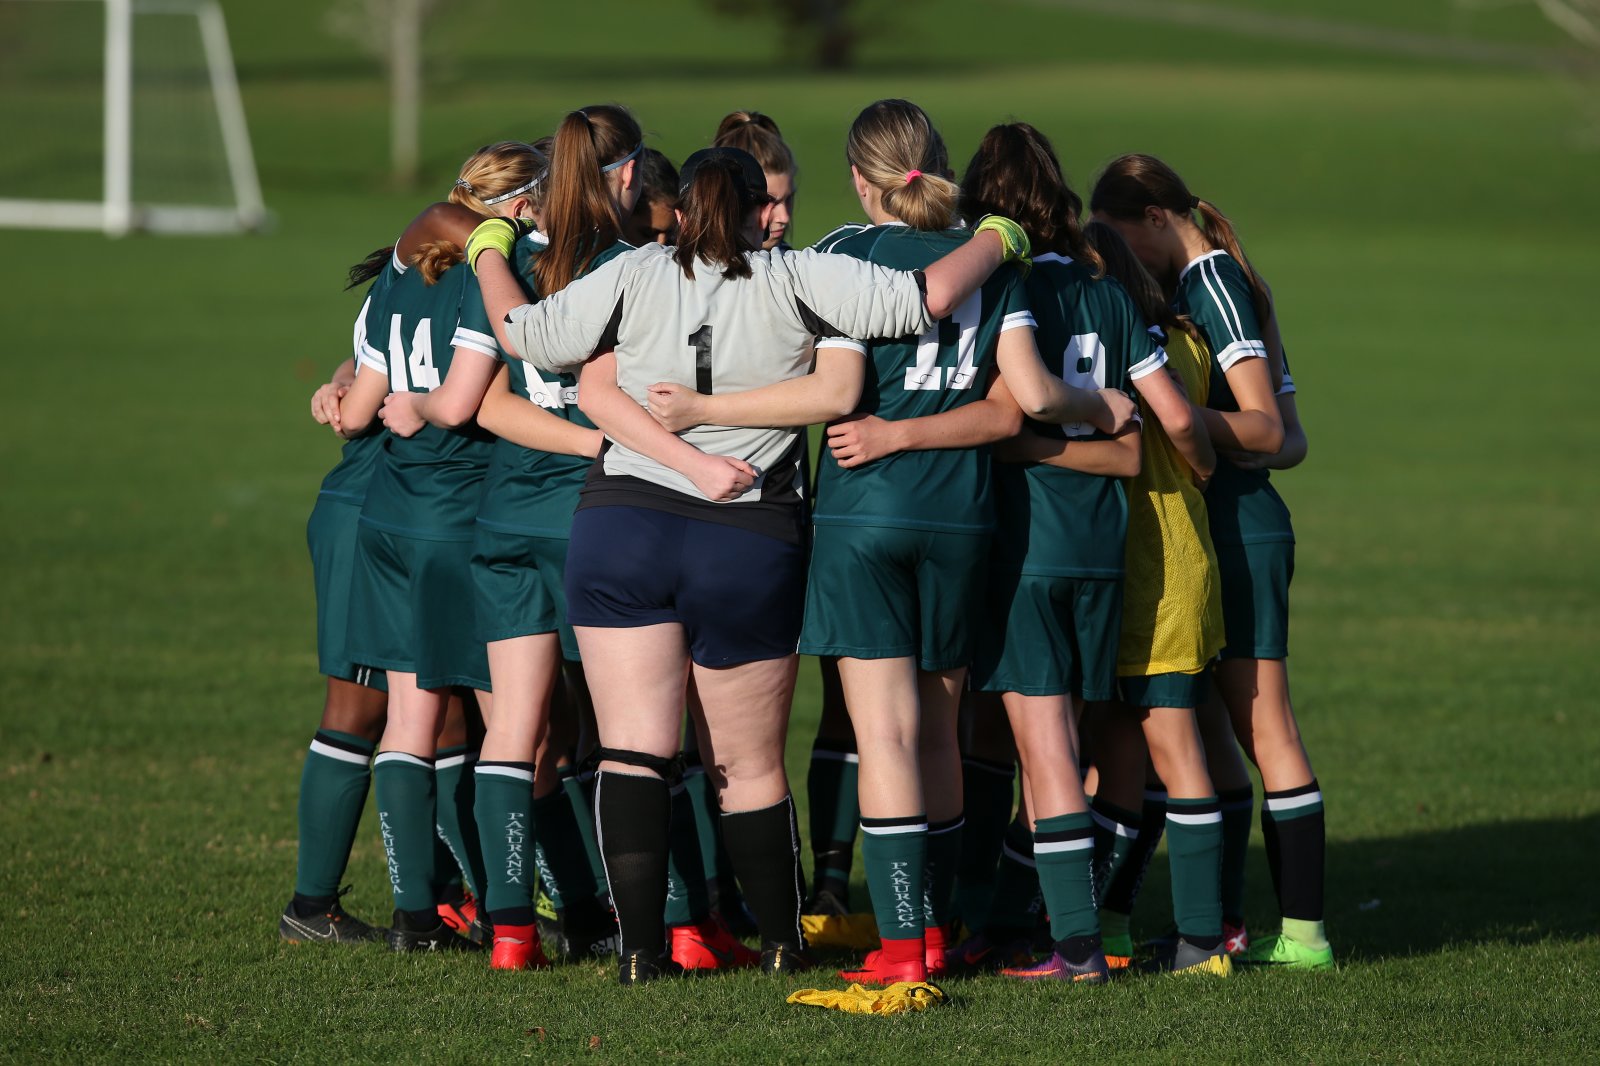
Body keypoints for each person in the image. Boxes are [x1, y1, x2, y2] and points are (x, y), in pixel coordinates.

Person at [469, 143, 1037, 984]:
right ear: (753, 211)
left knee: (633, 753)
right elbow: (927, 297)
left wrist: (488, 250)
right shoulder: (800, 275)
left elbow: (526, 336)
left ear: (684, 210)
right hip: (748, 534)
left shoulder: (635, 270)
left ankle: (641, 953)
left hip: (624, 526)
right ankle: (779, 944)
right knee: (749, 763)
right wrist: (998, 236)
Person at [790, 100, 1134, 986]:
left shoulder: (843, 252)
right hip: (961, 519)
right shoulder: (992, 262)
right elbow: (1014, 408)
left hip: (866, 515)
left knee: (883, 735)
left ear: (860, 179)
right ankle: (939, 931)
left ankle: (904, 948)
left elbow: (811, 377)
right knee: (939, 731)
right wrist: (1102, 407)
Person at [953, 121, 1206, 984]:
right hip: (1103, 550)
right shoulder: (1110, 293)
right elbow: (1141, 441)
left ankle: (1074, 949)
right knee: (1074, 745)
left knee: (1046, 749)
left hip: (1029, 546)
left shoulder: (1005, 286)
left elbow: (1001, 419)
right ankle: (1024, 924)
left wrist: (1016, 448)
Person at [1091, 153, 1329, 971]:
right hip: (1218, 521)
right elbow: (1289, 438)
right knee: (1214, 737)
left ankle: (1305, 936)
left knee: (1266, 727)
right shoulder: (1219, 282)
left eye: (1121, 236)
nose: (1119, 258)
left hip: (1236, 528)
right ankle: (1223, 926)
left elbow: (1268, 430)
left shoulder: (1214, 282)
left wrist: (1169, 415)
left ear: (1156, 219)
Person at [336, 142, 544, 953]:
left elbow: (359, 411)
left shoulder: (398, 271)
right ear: (519, 207)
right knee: (513, 724)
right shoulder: (490, 276)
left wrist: (349, 392)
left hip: (389, 514)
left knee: (409, 720)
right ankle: (522, 911)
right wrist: (426, 403)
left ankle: (414, 914)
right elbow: (459, 405)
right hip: (459, 518)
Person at [713, 110, 796, 250]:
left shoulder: (793, 260)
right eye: (768, 201)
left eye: (789, 199)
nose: (784, 217)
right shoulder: (685, 260)